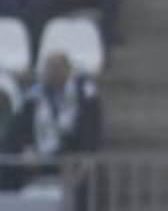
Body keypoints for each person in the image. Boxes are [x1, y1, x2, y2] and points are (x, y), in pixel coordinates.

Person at [1, 50, 100, 187]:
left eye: (57, 69)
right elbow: (20, 127)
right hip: (40, 154)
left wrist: (88, 155)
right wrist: (26, 147)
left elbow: (91, 127)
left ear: (67, 70)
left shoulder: (83, 95)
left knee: (85, 174)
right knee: (9, 161)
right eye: (49, 69)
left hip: (69, 153)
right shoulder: (34, 96)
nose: (52, 74)